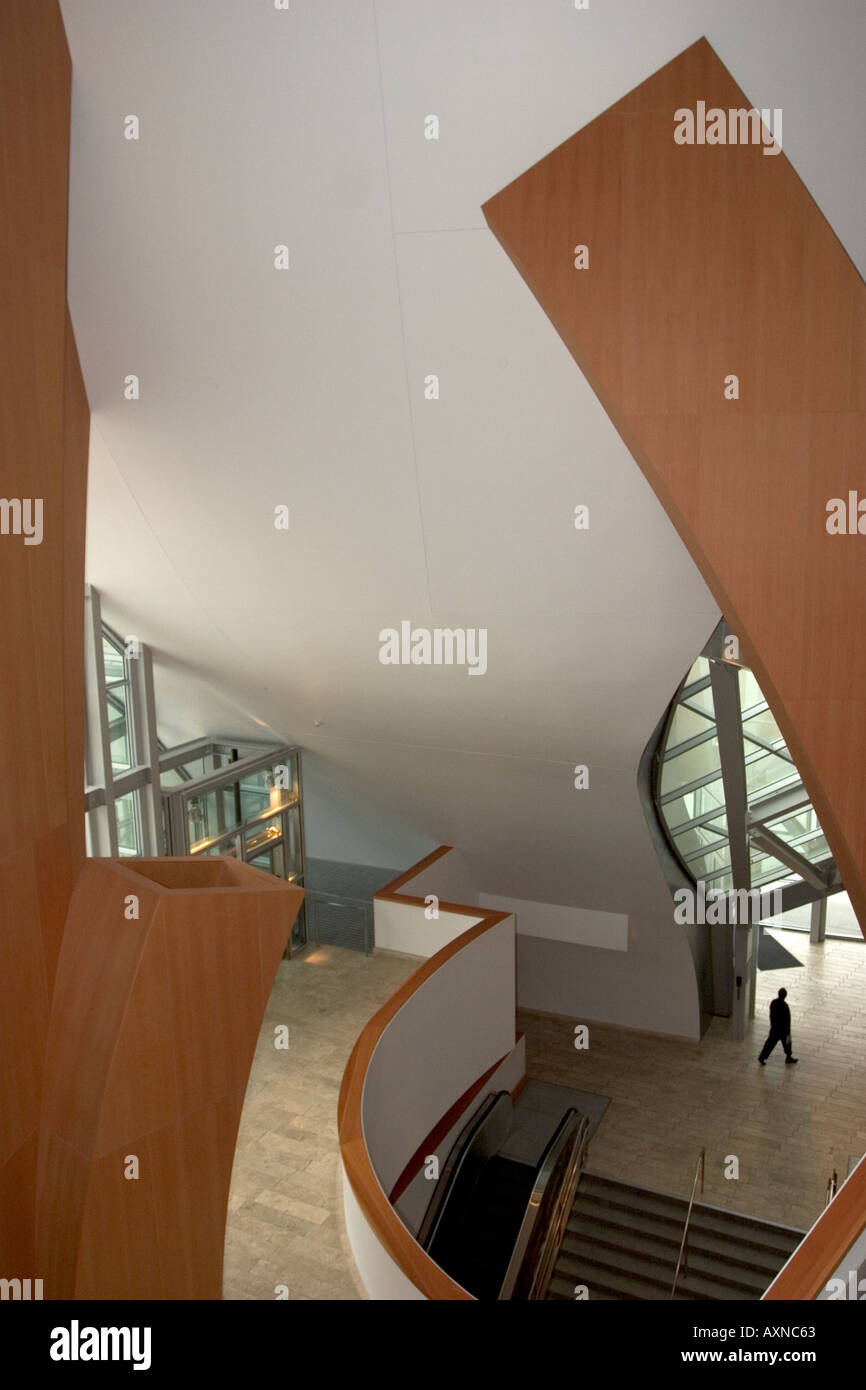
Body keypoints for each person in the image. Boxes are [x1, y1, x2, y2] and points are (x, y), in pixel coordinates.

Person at [758, 987, 797, 1064]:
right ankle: (788, 1057)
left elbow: (771, 1015)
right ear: (785, 996)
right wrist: (788, 1032)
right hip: (784, 1031)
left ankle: (762, 1057)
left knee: (769, 1043)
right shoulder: (785, 1007)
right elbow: (787, 1021)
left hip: (774, 1029)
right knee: (788, 1044)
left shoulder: (773, 1003)